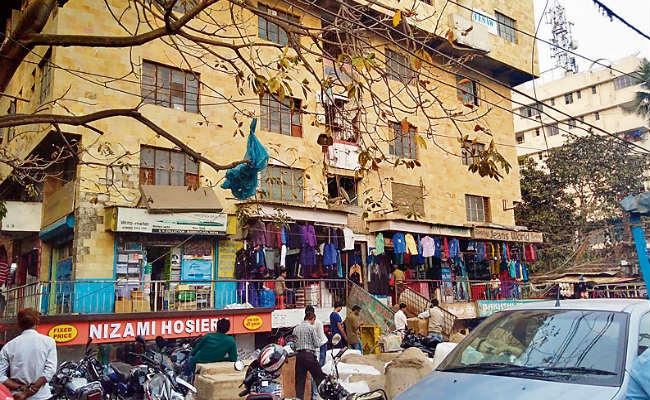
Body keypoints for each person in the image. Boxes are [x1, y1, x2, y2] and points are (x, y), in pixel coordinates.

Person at [0, 308, 57, 400]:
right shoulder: (49, 342)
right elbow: (50, 371)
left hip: (17, 395)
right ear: (37, 322)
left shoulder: (9, 346)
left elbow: (1, 377)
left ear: (19, 324)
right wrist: (29, 391)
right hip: (42, 396)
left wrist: (21, 389)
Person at [293, 311, 326, 400]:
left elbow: (294, 345)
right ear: (312, 319)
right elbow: (317, 344)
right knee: (319, 378)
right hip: (309, 356)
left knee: (300, 382)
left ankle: (299, 398)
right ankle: (322, 397)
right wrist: (322, 342)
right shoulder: (311, 328)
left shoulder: (296, 329)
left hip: (299, 356)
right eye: (313, 321)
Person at [305, 306, 328, 400]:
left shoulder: (318, 323)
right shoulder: (305, 323)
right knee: (312, 373)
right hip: (312, 348)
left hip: (321, 346)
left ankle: (315, 394)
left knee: (318, 370)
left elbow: (321, 338)